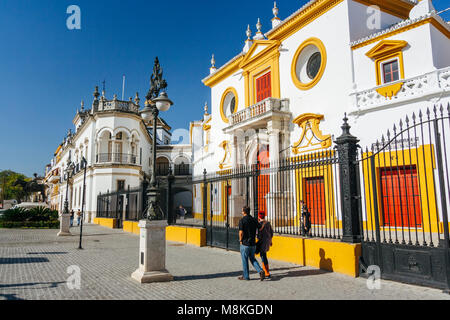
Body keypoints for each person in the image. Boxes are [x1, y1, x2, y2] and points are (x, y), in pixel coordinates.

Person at [238, 206, 265, 281]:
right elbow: (260, 227)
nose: (241, 212)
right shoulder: (254, 219)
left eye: (242, 211)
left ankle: (246, 276)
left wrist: (240, 240)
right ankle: (260, 270)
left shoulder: (242, 220)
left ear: (244, 212)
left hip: (245, 244)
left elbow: (241, 232)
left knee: (244, 260)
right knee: (252, 258)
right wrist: (263, 223)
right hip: (253, 243)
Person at [256, 211, 274, 278]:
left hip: (262, 242)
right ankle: (266, 271)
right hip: (267, 241)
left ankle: (267, 272)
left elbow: (258, 235)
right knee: (263, 255)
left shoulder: (259, 224)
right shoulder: (268, 223)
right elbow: (271, 233)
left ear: (259, 216)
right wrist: (270, 241)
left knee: (263, 256)